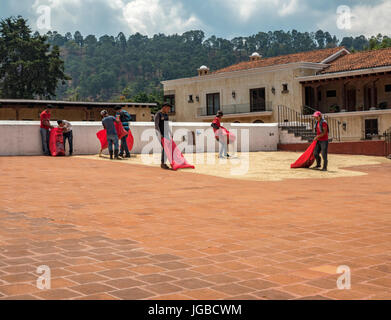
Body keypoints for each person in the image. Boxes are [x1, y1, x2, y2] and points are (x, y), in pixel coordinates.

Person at [154, 103, 172, 169]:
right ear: (164, 107)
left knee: (167, 148)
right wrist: (160, 134)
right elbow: (156, 125)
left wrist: (170, 133)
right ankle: (163, 163)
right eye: (168, 108)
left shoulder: (166, 115)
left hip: (166, 133)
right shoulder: (158, 114)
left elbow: (167, 125)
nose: (169, 110)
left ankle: (164, 162)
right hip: (160, 134)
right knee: (165, 148)